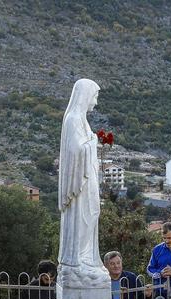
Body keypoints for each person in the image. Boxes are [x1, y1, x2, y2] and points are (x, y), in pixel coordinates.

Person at [57, 78, 109, 288]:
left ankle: (86, 258)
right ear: (85, 95)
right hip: (80, 184)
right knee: (83, 218)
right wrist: (94, 141)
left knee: (93, 215)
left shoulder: (81, 120)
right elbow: (75, 151)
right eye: (94, 96)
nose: (95, 102)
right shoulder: (72, 120)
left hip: (88, 180)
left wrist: (92, 140)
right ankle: (77, 260)